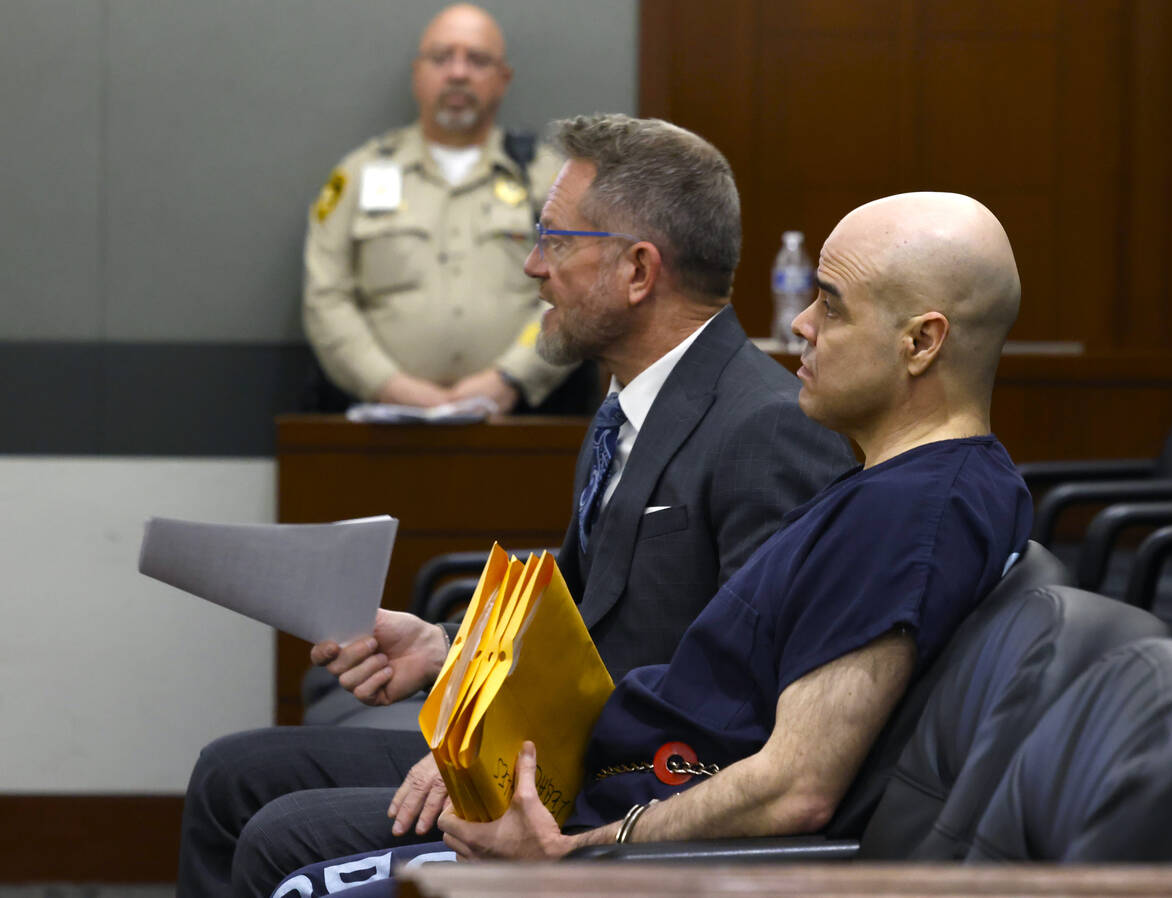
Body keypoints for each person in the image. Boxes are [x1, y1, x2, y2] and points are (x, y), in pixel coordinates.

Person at [268, 189, 1034, 894]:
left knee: (283, 861)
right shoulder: (914, 484)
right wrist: (453, 651)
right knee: (272, 820)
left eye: (831, 307)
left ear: (922, 343)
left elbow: (795, 786)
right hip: (609, 781)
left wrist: (584, 855)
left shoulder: (909, 515)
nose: (800, 322)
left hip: (620, 842)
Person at [178, 114, 853, 898]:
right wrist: (444, 649)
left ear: (638, 272)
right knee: (231, 776)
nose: (534, 267)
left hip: (608, 799)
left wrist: (501, 745)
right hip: (551, 755)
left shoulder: (766, 430)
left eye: (557, 242)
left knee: (276, 837)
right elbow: (572, 623)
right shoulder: (629, 406)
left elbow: (742, 706)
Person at [303, 3, 570, 412]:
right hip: (381, 425)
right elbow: (327, 297)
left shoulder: (549, 181)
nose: (458, 72)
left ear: (503, 79)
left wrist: (511, 377)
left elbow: (575, 289)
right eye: (441, 58)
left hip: (519, 425)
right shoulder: (358, 175)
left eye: (477, 60)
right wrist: (388, 385)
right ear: (417, 73)